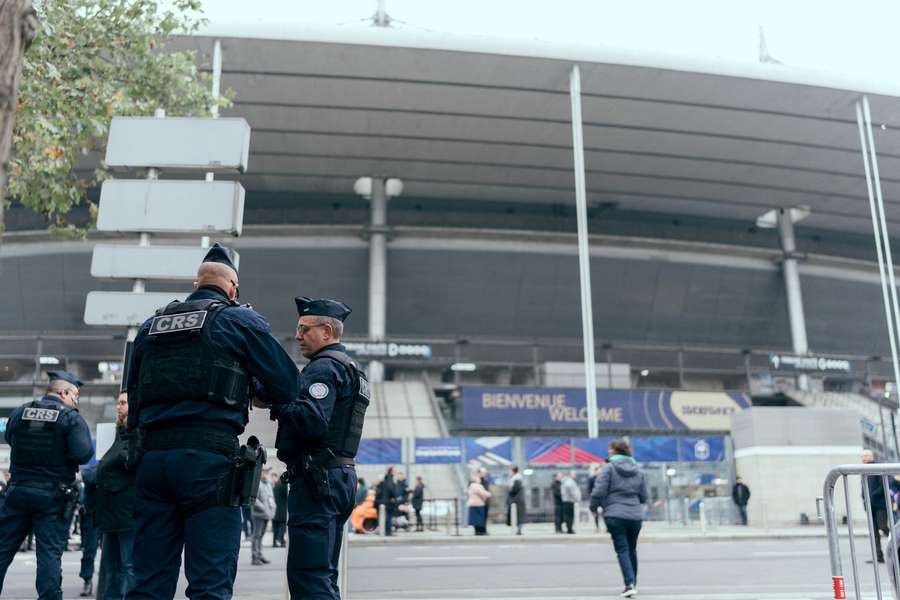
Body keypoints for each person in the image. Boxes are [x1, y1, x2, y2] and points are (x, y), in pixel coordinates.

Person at [124, 243, 300, 600]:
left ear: (196, 282)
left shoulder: (151, 325)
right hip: (207, 460)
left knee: (147, 583)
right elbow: (287, 383)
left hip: (153, 460)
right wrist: (253, 387)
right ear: (233, 287)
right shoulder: (237, 319)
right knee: (210, 583)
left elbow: (134, 395)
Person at [268, 296, 370, 599]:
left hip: (316, 480)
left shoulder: (323, 368)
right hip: (338, 476)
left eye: (305, 329)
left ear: (327, 331)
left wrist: (278, 400)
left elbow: (311, 421)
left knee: (308, 576)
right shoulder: (353, 368)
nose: (298, 336)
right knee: (324, 575)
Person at [0, 370, 93, 600]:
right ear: (63, 392)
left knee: (1, 550)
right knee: (49, 557)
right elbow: (83, 454)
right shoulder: (70, 418)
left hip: (18, 492)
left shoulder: (20, 412)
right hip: (52, 497)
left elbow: (10, 438)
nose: (75, 401)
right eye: (74, 395)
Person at [590, 439, 649, 599]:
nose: (608, 451)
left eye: (610, 449)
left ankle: (629, 584)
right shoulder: (637, 469)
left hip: (615, 514)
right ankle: (633, 583)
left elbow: (598, 491)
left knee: (622, 549)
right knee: (632, 549)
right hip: (635, 516)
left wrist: (594, 508)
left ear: (615, 451)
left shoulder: (609, 468)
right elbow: (644, 496)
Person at [96, 392, 137, 600]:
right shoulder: (119, 434)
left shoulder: (135, 433)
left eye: (123, 403)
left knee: (128, 566)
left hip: (127, 512)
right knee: (112, 567)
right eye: (117, 403)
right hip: (112, 513)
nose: (118, 407)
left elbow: (131, 463)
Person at [862, 450, 894, 563]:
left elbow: (885, 483)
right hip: (870, 506)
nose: (865, 458)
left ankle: (896, 542)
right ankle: (878, 556)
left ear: (872, 456)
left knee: (883, 527)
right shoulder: (862, 470)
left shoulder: (877, 467)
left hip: (880, 504)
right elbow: (863, 489)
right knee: (874, 531)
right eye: (863, 456)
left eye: (867, 455)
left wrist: (874, 495)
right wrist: (865, 501)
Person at [79, 464, 100, 596]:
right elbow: (88, 477)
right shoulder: (93, 470)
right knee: (89, 551)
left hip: (110, 516)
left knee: (114, 554)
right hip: (92, 516)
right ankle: (87, 580)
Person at [251, 468, 275, 566]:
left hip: (267, 514)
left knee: (261, 536)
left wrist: (272, 509)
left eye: (267, 472)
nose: (266, 474)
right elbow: (254, 499)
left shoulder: (268, 484)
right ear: (261, 473)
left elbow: (271, 498)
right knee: (256, 536)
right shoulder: (257, 483)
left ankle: (260, 555)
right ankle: (255, 557)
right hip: (259, 514)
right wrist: (264, 508)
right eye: (265, 472)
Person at [376, 467, 397, 536]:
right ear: (391, 471)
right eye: (394, 471)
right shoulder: (390, 479)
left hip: (383, 501)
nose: (395, 472)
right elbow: (391, 490)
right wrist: (394, 496)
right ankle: (388, 532)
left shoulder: (385, 479)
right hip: (388, 501)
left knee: (385, 517)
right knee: (388, 517)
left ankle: (385, 531)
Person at [506, 466, 526, 535]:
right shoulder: (516, 478)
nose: (509, 473)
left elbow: (514, 490)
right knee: (517, 516)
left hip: (517, 501)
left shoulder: (517, 479)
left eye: (510, 471)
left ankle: (519, 529)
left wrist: (510, 491)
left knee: (518, 516)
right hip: (517, 500)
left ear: (513, 471)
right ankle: (518, 529)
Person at [561, 470, 581, 535]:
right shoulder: (569, 481)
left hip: (569, 500)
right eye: (574, 474)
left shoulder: (568, 481)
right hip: (569, 501)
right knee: (569, 516)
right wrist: (575, 497)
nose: (575, 476)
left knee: (569, 516)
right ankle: (569, 529)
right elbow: (571, 490)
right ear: (571, 475)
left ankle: (569, 528)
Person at [272, 472, 288, 548]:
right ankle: (279, 540)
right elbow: (287, 495)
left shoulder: (275, 485)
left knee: (275, 527)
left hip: (274, 510)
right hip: (281, 510)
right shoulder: (283, 485)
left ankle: (275, 542)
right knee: (282, 526)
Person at [588, 464, 603, 533]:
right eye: (598, 471)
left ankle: (607, 527)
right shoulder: (592, 478)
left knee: (606, 511)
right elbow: (589, 489)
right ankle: (597, 527)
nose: (599, 472)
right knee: (595, 512)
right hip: (594, 497)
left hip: (603, 497)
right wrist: (591, 497)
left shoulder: (604, 478)